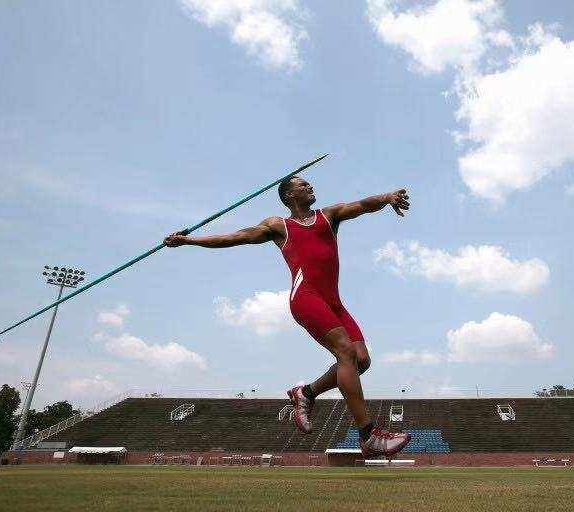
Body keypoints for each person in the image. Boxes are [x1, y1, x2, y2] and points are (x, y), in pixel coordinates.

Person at [164, 176, 411, 457]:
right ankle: (368, 435)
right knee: (345, 351)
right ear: (289, 196)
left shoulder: (328, 216)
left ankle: (306, 393)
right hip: (306, 297)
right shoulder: (278, 226)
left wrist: (388, 196)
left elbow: (363, 205)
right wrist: (189, 240)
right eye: (303, 185)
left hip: (334, 303)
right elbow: (236, 237)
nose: (310, 186)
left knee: (361, 360)